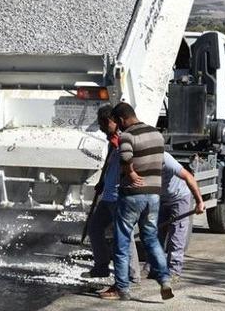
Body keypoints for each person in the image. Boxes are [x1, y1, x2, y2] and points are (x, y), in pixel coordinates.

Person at [99, 102, 197, 301]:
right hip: (154, 196)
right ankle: (164, 280)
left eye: (118, 123)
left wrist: (132, 173)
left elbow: (126, 157)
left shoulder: (127, 135)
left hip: (132, 195)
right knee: (151, 239)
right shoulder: (156, 134)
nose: (119, 127)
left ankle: (122, 288)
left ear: (121, 119)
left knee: (122, 241)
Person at [83, 105, 140, 282]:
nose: (100, 128)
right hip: (108, 195)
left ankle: (132, 276)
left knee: (125, 236)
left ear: (113, 122)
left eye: (103, 124)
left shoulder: (125, 140)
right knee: (94, 228)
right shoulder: (112, 141)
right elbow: (109, 164)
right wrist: (102, 182)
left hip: (120, 197)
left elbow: (130, 165)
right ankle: (101, 267)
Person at [152, 150, 206, 284]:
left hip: (179, 197)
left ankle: (174, 271)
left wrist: (199, 202)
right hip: (160, 197)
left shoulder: (165, 158)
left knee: (176, 234)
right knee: (156, 233)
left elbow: (189, 177)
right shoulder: (143, 158)